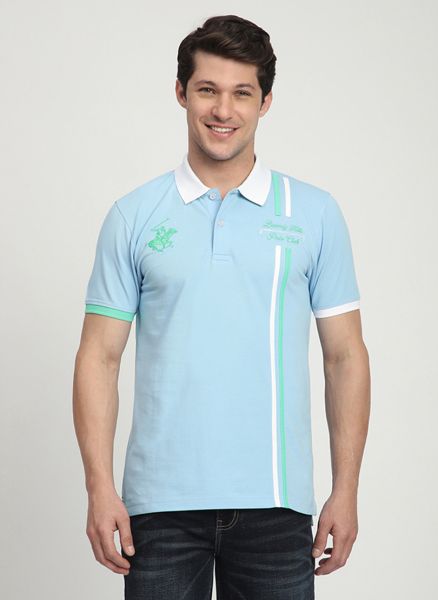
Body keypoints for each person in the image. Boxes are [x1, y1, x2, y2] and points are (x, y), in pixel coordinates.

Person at [73, 14, 370, 600]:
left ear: (265, 103)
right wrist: (99, 488)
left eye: (242, 93)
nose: (223, 110)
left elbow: (345, 358)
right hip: (158, 510)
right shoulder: (133, 216)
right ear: (181, 92)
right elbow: (98, 357)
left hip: (277, 507)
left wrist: (347, 489)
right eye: (208, 89)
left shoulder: (314, 213)